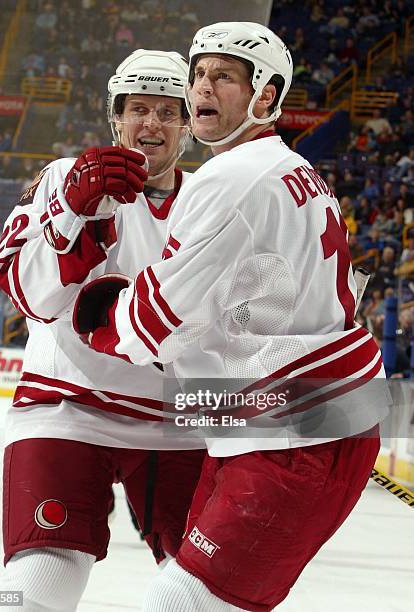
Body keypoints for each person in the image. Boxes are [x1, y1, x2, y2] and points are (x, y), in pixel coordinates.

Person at [74, 22, 389, 611]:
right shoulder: (296, 171)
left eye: (224, 77)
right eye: (198, 75)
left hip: (293, 436)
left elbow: (154, 319)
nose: (202, 89)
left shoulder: (231, 177)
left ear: (266, 96)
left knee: (176, 603)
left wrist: (103, 317)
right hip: (283, 423)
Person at [0, 50, 205, 611]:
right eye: (139, 109)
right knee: (40, 583)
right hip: (66, 406)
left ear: (187, 124)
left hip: (173, 419)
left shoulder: (214, 196)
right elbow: (31, 297)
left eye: (168, 111)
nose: (151, 124)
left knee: (207, 589)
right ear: (117, 117)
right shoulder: (64, 177)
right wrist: (71, 212)